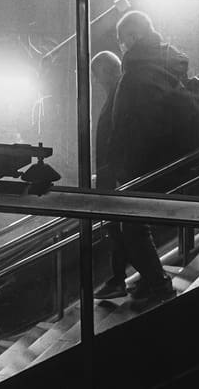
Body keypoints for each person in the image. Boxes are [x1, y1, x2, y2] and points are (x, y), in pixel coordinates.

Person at [107, 10, 187, 306]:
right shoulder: (168, 59)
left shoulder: (139, 70)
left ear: (134, 36)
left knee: (132, 228)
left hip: (145, 162)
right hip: (168, 156)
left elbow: (129, 122)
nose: (122, 48)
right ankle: (149, 280)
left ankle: (159, 285)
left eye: (122, 41)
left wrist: (120, 163)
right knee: (138, 225)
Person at [90, 50, 130, 300]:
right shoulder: (120, 94)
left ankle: (120, 280)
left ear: (105, 71)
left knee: (120, 231)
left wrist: (112, 175)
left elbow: (117, 139)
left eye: (96, 74)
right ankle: (121, 278)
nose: (95, 81)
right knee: (120, 231)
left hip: (117, 178)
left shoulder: (119, 96)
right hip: (115, 176)